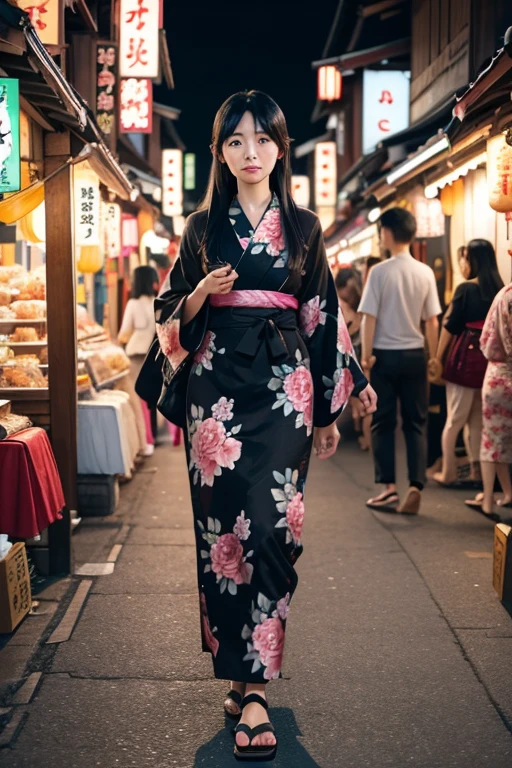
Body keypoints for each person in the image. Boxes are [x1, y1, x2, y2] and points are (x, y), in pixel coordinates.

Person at [153, 90, 377, 761]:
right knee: (225, 535)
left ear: (281, 148)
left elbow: (323, 318)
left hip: (285, 390)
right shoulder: (199, 229)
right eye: (235, 141)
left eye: (263, 140)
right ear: (219, 152)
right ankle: (244, 683)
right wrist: (200, 294)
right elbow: (169, 314)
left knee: (275, 528)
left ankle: (254, 687)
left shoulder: (305, 229)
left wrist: (331, 408)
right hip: (216, 394)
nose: (250, 153)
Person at [359, 207, 441, 515]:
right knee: (416, 422)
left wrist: (366, 357)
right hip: (415, 355)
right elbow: (432, 320)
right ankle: (416, 485)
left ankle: (389, 488)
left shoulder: (380, 272)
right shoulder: (425, 272)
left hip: (384, 355)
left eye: (381, 231)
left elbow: (369, 318)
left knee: (382, 421)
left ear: (389, 233)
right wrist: (433, 358)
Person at [429, 240, 504, 486]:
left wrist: (438, 358)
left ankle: (448, 471)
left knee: (454, 421)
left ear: (473, 261)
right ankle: (477, 473)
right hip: (491, 366)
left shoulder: (465, 290)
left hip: (464, 363)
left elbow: (448, 327)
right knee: (478, 422)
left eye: (464, 259)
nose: (462, 264)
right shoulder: (501, 290)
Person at [465, 281, 512, 519]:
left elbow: (487, 340)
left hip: (499, 377)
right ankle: (507, 493)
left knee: (493, 440)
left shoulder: (504, 295)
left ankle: (489, 501)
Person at [118, 266, 160, 457]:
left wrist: (119, 341)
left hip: (135, 355)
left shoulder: (133, 304)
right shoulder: (157, 303)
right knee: (151, 396)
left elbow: (125, 332)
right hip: (153, 355)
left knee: (137, 399)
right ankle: (152, 436)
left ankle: (144, 441)